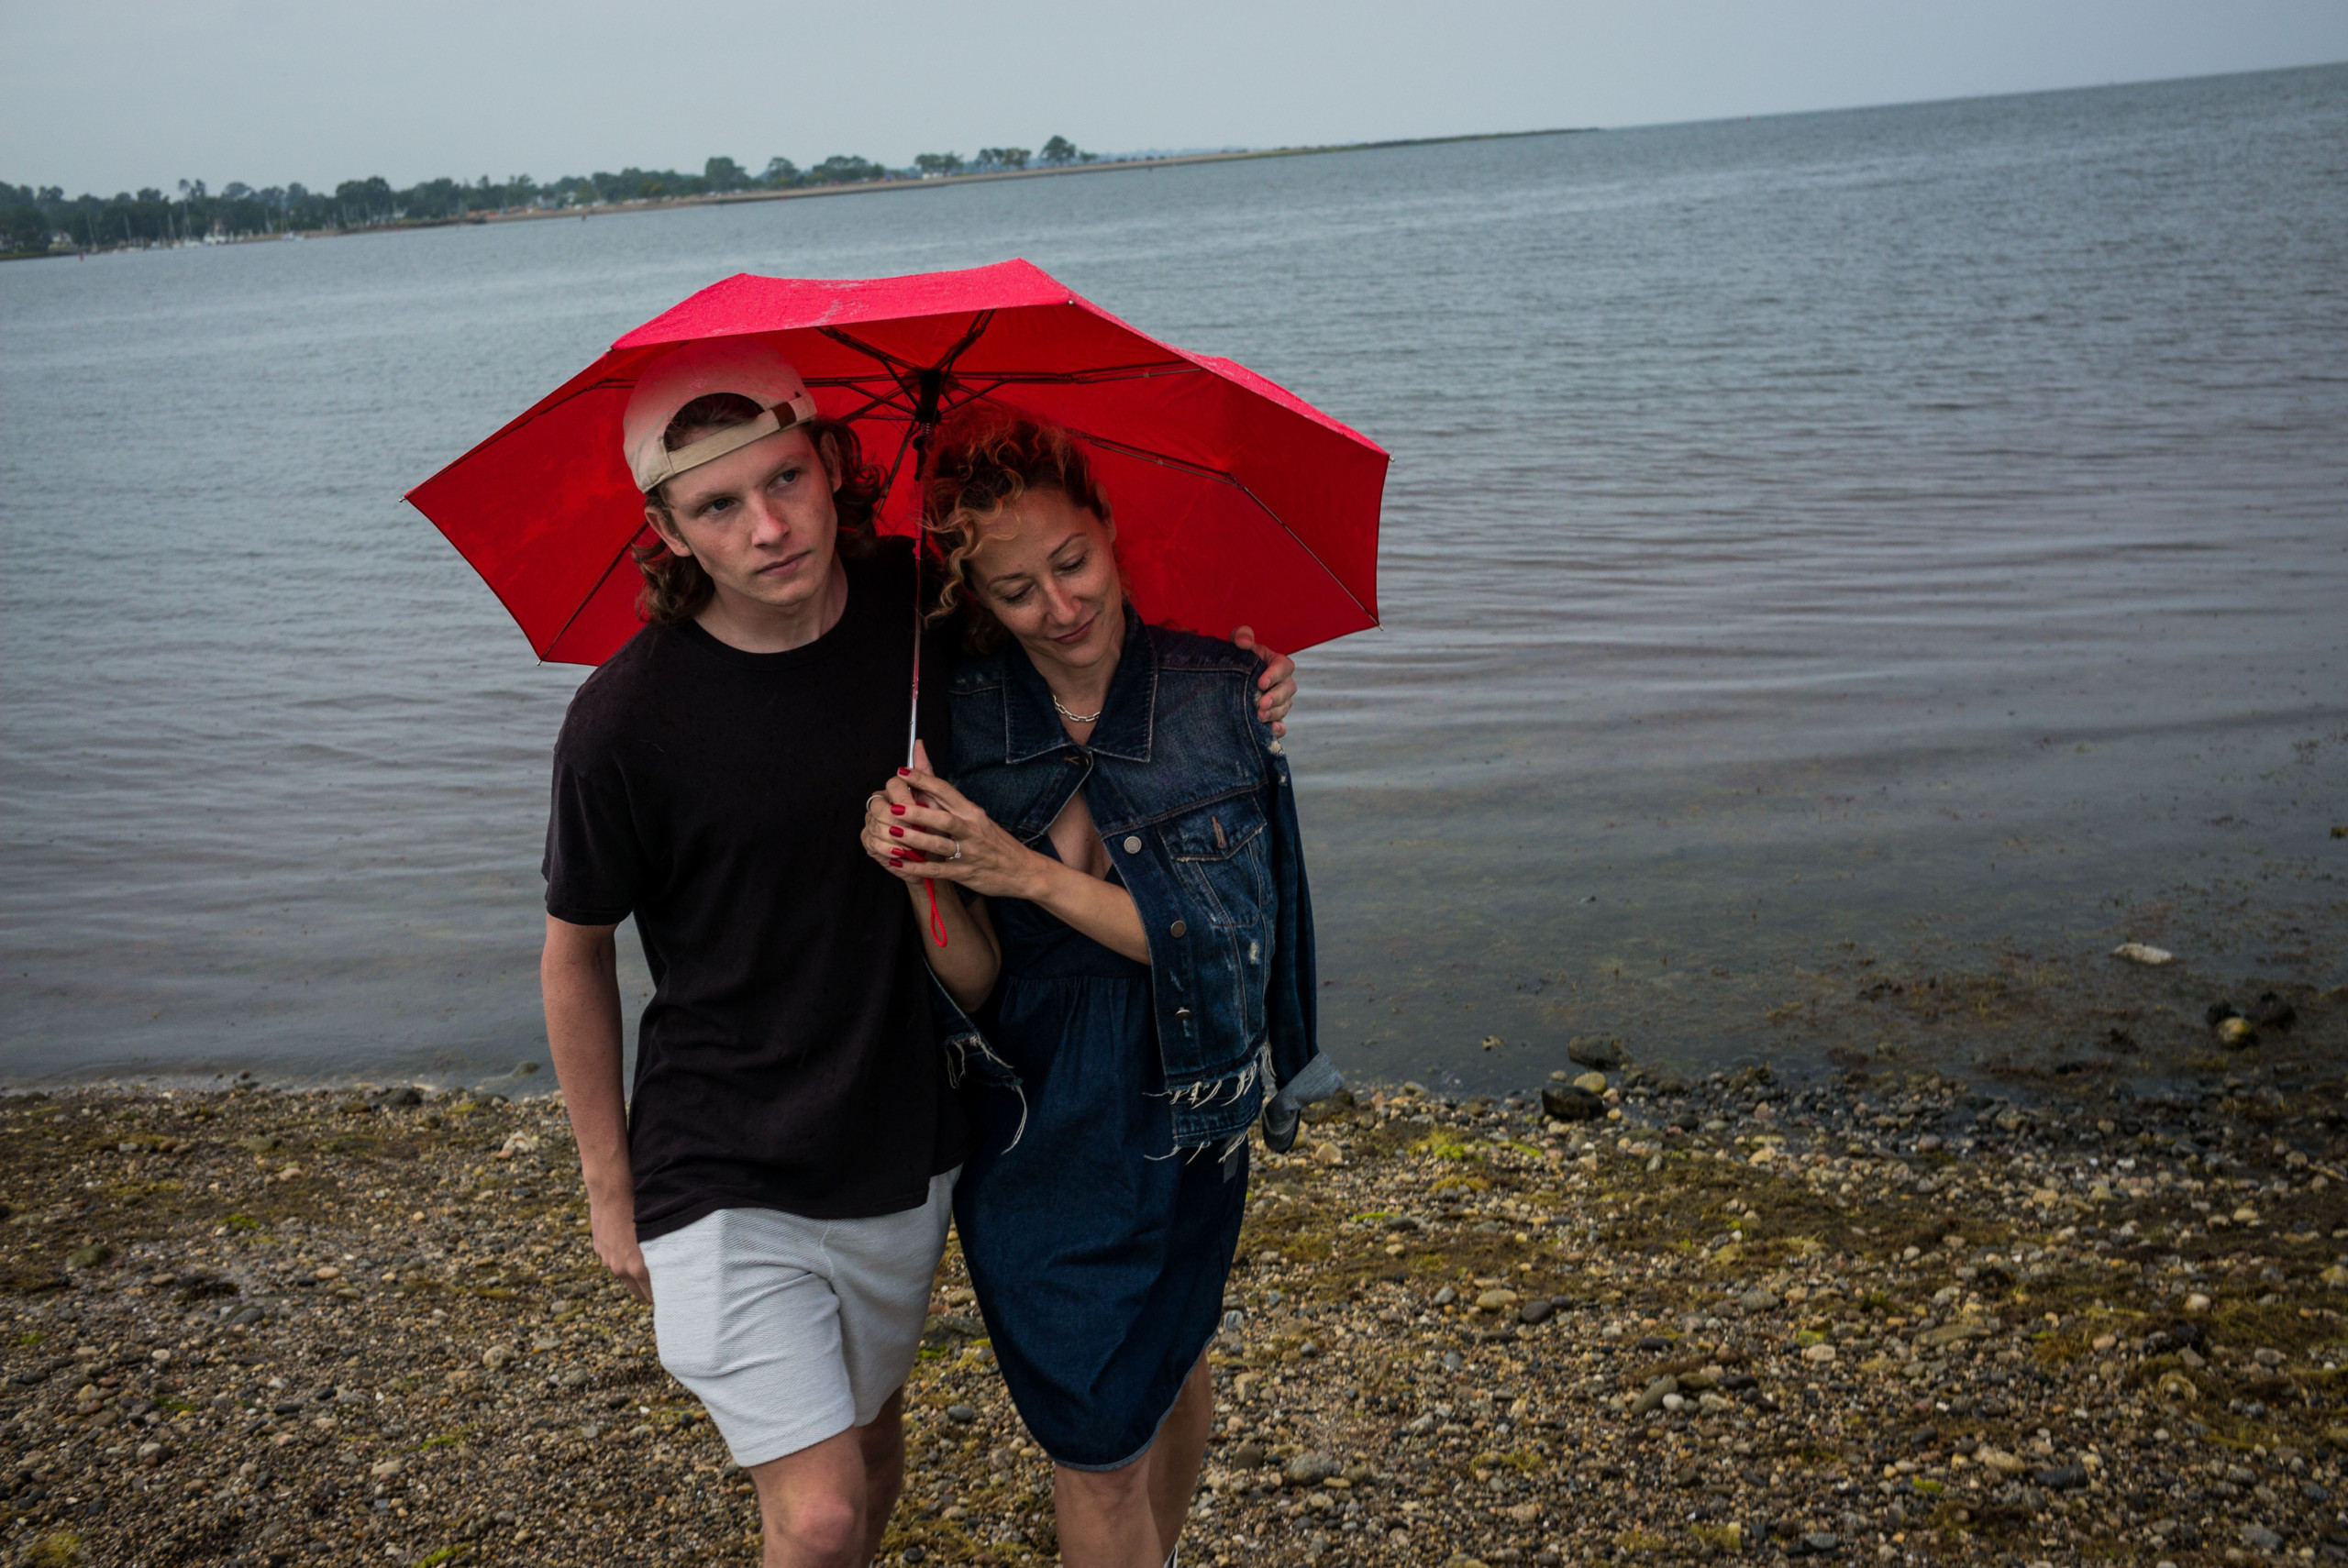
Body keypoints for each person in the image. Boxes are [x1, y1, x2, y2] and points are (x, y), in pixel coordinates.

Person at [537, 338, 1298, 1568]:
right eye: (716, 507)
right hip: (715, 1144)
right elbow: (574, 953)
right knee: (825, 1510)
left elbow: (1085, 655)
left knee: (877, 1451)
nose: (767, 527)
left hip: (908, 1134)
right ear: (666, 532)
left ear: (831, 466)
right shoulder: (622, 724)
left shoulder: (921, 614)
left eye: (785, 480)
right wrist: (607, 1184)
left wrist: (1238, 686)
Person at [860, 410, 1338, 1568]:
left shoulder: (1223, 696)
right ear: (979, 599)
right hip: (1029, 1119)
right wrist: (927, 879)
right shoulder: (956, 717)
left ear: (1109, 529)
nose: (1059, 606)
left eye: (1071, 563)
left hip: (1189, 1103)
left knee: (1168, 1367)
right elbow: (976, 978)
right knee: (1095, 1443)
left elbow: (1223, 949)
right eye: (1016, 591)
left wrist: (1019, 869)